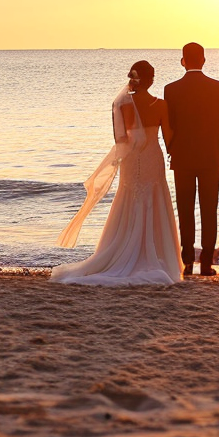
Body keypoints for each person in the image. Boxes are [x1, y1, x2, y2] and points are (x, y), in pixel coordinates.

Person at [51, 61, 183, 285]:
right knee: (154, 199)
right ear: (151, 79)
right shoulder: (161, 105)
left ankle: (120, 250)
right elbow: (169, 140)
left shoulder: (121, 105)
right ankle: (156, 255)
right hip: (152, 157)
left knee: (128, 199)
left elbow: (120, 141)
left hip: (130, 160)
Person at [163, 42, 219, 276]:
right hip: (211, 156)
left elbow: (168, 125)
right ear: (203, 60)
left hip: (182, 156)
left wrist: (171, 148)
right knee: (209, 209)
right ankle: (206, 264)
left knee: (185, 209)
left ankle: (187, 261)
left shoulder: (171, 89)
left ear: (183, 61)